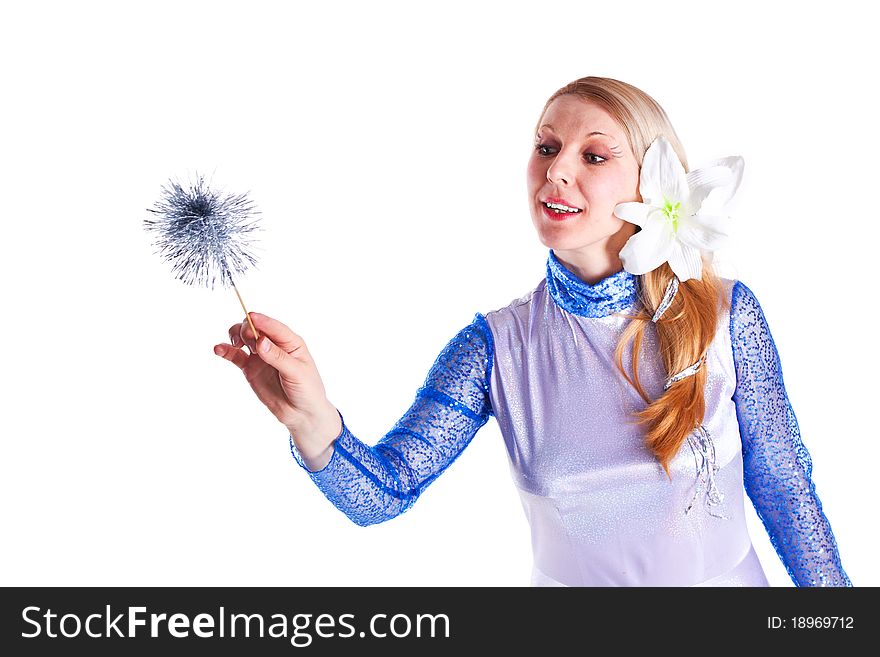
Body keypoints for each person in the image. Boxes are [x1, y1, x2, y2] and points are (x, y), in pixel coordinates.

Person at [212, 76, 851, 587]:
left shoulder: (726, 317)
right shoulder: (493, 349)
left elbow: (783, 484)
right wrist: (311, 420)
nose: (557, 170)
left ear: (654, 186)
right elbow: (381, 495)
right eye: (546, 147)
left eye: (593, 155)